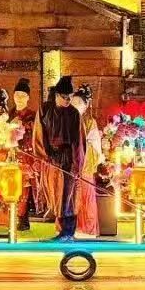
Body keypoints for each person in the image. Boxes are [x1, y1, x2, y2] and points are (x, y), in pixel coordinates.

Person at [41, 76, 83, 239]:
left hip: (68, 157)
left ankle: (68, 231)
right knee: (54, 194)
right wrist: (46, 155)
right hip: (51, 157)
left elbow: (78, 141)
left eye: (70, 98)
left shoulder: (74, 114)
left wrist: (76, 164)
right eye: (65, 97)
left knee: (68, 194)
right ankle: (59, 229)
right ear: (57, 95)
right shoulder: (45, 110)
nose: (68, 101)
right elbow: (40, 135)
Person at [73, 85, 102, 236]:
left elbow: (95, 145)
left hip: (84, 164)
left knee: (86, 196)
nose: (75, 105)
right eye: (73, 101)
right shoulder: (66, 119)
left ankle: (88, 228)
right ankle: (70, 227)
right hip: (70, 164)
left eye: (79, 102)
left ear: (86, 105)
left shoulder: (90, 122)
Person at [11, 78, 40, 229]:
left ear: (28, 97)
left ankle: (22, 218)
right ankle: (10, 217)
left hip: (26, 155)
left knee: (24, 189)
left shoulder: (33, 115)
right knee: (11, 186)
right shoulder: (9, 114)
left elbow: (36, 136)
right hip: (11, 155)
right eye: (17, 95)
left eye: (23, 95)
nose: (19, 99)